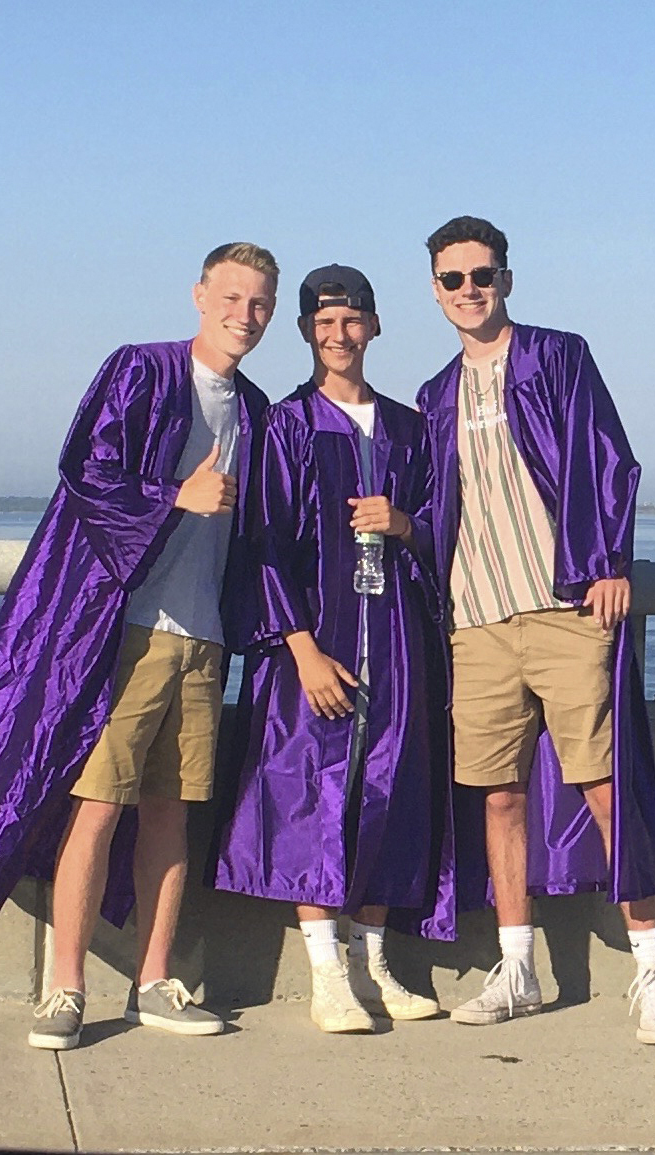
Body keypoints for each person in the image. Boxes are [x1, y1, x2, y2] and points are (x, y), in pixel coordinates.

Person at [0, 242, 278, 1052]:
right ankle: (64, 987)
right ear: (198, 295)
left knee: (170, 814)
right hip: (127, 630)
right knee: (97, 806)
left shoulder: (254, 407)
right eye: (232, 296)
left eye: (259, 302)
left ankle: (154, 981)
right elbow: (87, 468)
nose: (243, 313)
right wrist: (173, 497)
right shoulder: (142, 370)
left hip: (203, 637)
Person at [413, 216, 655, 1045]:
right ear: (434, 288)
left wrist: (606, 560)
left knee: (605, 786)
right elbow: (433, 510)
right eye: (453, 278)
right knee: (497, 795)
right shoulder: (432, 396)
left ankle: (651, 972)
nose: (469, 290)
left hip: (565, 609)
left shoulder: (556, 357)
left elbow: (606, 457)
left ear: (506, 278)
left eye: (482, 274)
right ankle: (516, 966)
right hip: (478, 619)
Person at [213, 265, 449, 1033]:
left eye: (351, 321)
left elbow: (450, 533)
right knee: (311, 791)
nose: (339, 336)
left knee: (391, 787)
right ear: (307, 330)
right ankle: (326, 973)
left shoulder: (411, 428)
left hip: (400, 637)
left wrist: (405, 523)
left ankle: (374, 963)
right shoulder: (285, 427)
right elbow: (266, 545)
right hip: (315, 640)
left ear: (374, 327)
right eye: (324, 323)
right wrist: (302, 649)